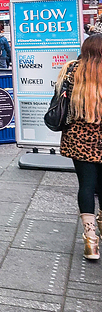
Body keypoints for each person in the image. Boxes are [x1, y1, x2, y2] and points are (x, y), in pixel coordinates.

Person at [56, 34, 102, 260]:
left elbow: (59, 98)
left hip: (79, 138)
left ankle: (91, 242)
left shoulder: (72, 70)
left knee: (86, 185)